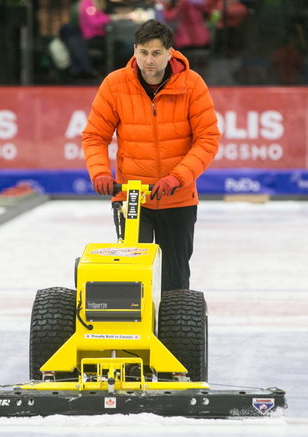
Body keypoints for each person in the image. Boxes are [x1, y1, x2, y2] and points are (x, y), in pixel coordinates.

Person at [82, 19, 220, 292]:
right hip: (132, 197)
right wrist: (99, 172)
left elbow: (207, 140)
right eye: (143, 52)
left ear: (170, 52)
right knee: (135, 275)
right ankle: (135, 331)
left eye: (156, 53)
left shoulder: (191, 85)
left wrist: (177, 178)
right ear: (134, 51)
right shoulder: (115, 84)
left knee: (174, 279)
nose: (149, 60)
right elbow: (95, 136)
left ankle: (174, 332)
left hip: (177, 198)